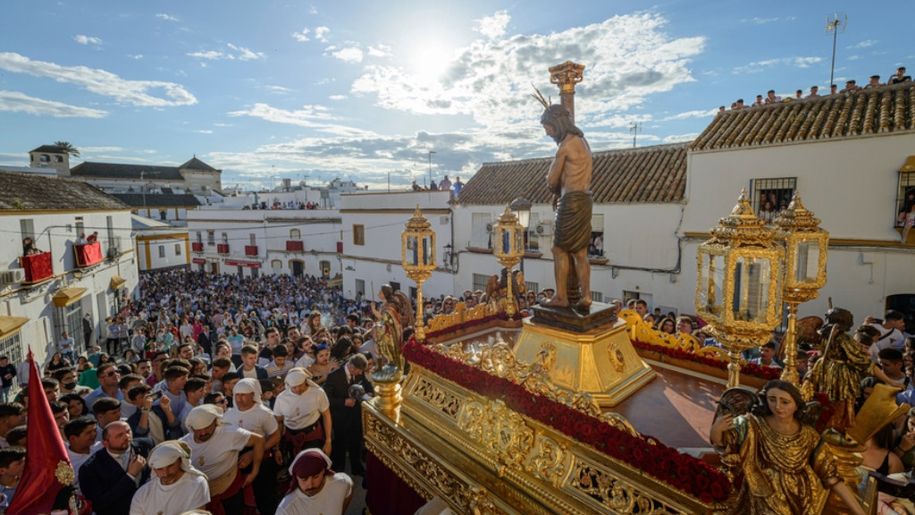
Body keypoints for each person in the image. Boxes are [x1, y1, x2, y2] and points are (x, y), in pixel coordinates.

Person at [710, 380, 865, 515]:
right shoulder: (752, 424)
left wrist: (859, 511)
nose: (777, 406)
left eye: (785, 402)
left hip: (800, 495)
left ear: (797, 404)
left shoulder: (809, 435)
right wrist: (716, 430)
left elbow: (830, 476)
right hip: (765, 491)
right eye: (772, 399)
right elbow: (724, 444)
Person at [535, 96, 593, 309]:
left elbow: (551, 181)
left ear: (557, 124)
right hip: (585, 199)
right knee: (580, 253)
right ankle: (586, 296)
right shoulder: (583, 142)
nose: (547, 132)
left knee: (559, 250)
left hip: (570, 202)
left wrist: (554, 184)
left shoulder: (565, 147)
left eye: (548, 127)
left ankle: (561, 297)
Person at [181, 404, 264, 515]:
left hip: (229, 491)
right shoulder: (183, 445)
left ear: (215, 422)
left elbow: (259, 440)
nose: (203, 433)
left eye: (207, 428)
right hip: (200, 498)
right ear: (191, 428)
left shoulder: (230, 433)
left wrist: (254, 471)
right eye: (198, 430)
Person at [223, 378, 281, 515]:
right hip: (237, 461)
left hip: (263, 460)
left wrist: (254, 453)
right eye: (237, 394)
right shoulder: (229, 414)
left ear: (252, 394)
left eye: (243, 394)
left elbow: (275, 436)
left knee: (265, 496)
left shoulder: (264, 413)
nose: (239, 398)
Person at [79, 421, 151, 515]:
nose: (127, 437)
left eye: (128, 431)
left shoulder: (146, 445)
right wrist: (130, 476)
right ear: (105, 443)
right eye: (119, 435)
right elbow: (98, 504)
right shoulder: (89, 469)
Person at [129, 440, 211, 515]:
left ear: (180, 461)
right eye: (160, 469)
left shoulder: (197, 483)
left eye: (170, 466)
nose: (165, 473)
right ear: (154, 469)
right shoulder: (142, 494)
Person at [324, 354, 373, 475]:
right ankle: (339, 469)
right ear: (351, 366)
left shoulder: (359, 372)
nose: (359, 374)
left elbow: (367, 386)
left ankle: (356, 467)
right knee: (340, 444)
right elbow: (326, 399)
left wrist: (370, 393)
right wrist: (343, 402)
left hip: (355, 416)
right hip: (340, 418)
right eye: (357, 371)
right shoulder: (333, 376)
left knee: (355, 442)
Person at [275, 368, 332, 462]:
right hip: (291, 438)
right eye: (294, 387)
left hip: (312, 436)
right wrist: (277, 448)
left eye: (300, 386)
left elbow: (326, 415)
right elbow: (278, 423)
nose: (297, 390)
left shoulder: (317, 393)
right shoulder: (281, 398)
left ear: (305, 381)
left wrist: (328, 440)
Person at [276, 448, 353, 515]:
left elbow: (349, 485)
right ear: (296, 477)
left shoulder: (341, 483)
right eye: (304, 479)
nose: (310, 485)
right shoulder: (285, 509)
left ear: (323, 471)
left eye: (316, 477)